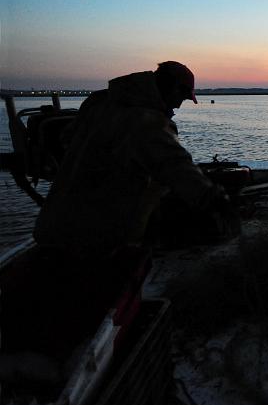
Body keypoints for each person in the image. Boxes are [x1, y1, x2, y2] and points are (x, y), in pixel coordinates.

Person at [33, 61, 232, 259]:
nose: (179, 104)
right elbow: (175, 165)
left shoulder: (98, 102)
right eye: (182, 97)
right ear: (173, 89)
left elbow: (67, 139)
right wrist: (213, 198)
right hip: (93, 239)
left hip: (52, 224)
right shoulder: (147, 121)